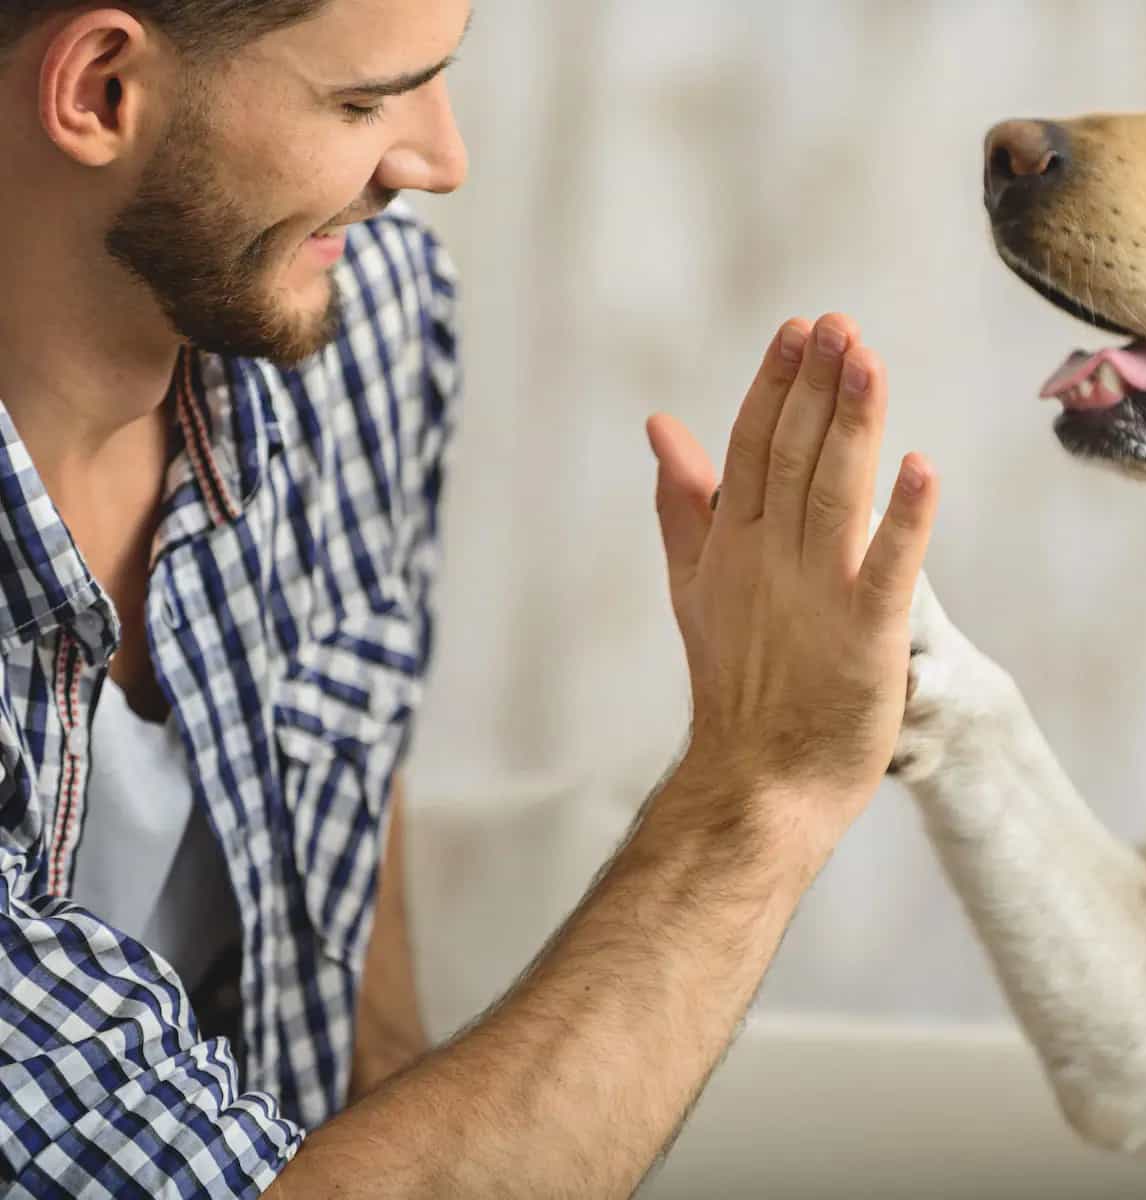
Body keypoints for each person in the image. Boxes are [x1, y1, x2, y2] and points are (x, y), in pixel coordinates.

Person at [0, 2, 939, 1196]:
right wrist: (762, 791)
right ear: (98, 91)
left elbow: (345, 792)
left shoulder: (351, 317)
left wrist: (386, 1073)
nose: (442, 162)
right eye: (362, 102)